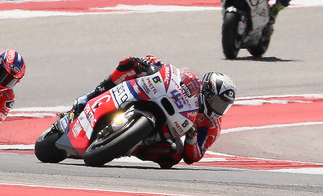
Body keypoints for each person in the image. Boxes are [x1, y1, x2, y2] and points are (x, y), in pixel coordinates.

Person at [69, 55, 236, 168]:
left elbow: (194, 156)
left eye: (223, 105)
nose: (218, 108)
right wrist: (152, 66)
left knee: (175, 155)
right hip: (154, 96)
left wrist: (191, 136)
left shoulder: (212, 125)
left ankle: (127, 146)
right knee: (136, 63)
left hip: (166, 129)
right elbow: (171, 74)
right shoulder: (192, 81)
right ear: (206, 92)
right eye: (217, 101)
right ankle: (93, 95)